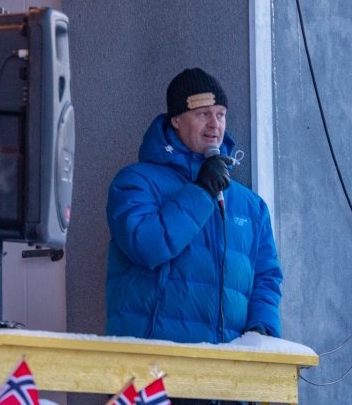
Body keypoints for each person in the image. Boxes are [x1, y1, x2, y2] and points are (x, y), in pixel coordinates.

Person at [105, 68, 283, 345]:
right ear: (176, 119)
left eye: (220, 114)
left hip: (228, 368)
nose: (215, 125)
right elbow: (146, 246)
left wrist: (260, 332)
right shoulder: (135, 182)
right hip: (152, 367)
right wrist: (201, 192)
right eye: (203, 114)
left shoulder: (251, 206)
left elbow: (267, 278)